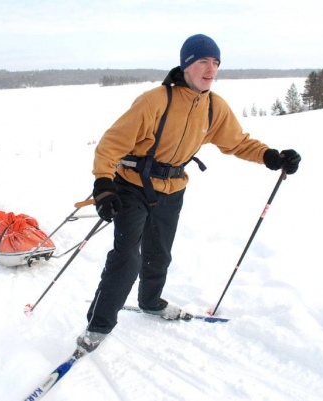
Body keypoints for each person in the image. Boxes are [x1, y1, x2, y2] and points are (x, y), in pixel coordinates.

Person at [77, 34, 301, 353]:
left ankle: (151, 302)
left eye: (216, 63)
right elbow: (111, 144)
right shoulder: (155, 101)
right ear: (186, 65)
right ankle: (98, 326)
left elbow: (237, 141)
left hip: (172, 189)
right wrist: (103, 184)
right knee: (126, 256)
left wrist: (271, 156)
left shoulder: (214, 107)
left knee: (160, 252)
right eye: (203, 62)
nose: (211, 70)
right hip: (132, 187)